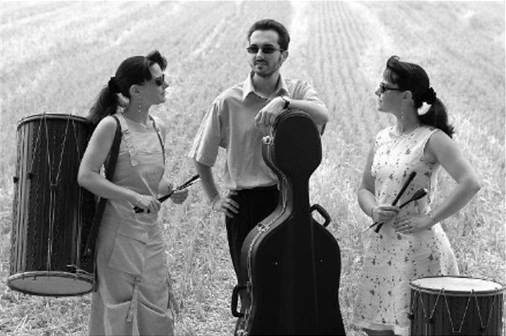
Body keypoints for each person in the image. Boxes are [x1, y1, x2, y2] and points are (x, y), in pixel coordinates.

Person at [188, 18, 329, 281]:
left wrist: (283, 103)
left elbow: (323, 114)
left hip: (290, 199)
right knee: (250, 286)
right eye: (253, 49)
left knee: (291, 285)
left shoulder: (298, 91)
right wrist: (215, 198)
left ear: (283, 55)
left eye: (267, 49)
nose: (259, 55)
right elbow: (201, 157)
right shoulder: (227, 101)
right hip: (246, 206)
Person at [353, 55, 481, 336]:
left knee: (418, 329)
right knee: (377, 331)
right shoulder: (381, 138)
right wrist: (374, 209)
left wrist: (429, 219)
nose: (378, 91)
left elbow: (470, 183)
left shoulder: (433, 138)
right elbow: (364, 189)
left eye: (384, 87)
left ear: (407, 96)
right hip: (381, 251)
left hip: (418, 253)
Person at [78, 50, 188, 336]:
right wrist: (133, 197)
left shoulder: (158, 127)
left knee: (156, 305)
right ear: (137, 91)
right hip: (117, 233)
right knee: (119, 311)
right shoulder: (111, 126)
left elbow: (151, 180)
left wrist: (170, 189)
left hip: (150, 234)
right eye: (159, 81)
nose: (166, 85)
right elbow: (86, 176)